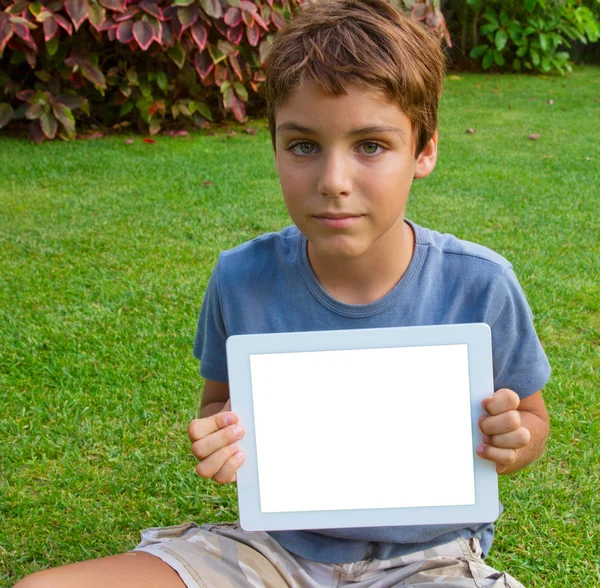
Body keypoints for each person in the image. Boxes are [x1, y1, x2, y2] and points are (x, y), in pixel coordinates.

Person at [16, 0, 551, 586]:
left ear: (423, 151)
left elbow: (529, 420)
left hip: (431, 560)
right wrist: (220, 438)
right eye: (303, 146)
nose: (333, 182)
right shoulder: (241, 278)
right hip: (270, 552)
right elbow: (218, 403)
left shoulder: (480, 283)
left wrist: (511, 441)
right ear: (274, 147)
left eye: (371, 145)